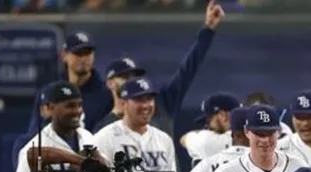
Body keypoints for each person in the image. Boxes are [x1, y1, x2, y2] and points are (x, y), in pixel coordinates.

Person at [29, 1, 224, 135]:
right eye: (124, 77)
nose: (130, 81)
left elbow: (188, 69)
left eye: (133, 76)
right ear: (110, 84)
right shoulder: (104, 124)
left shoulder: (162, 103)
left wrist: (208, 30)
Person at [180, 92, 241, 167]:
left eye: (209, 121)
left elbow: (184, 139)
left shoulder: (208, 141)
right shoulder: (249, 136)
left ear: (223, 116)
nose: (207, 127)